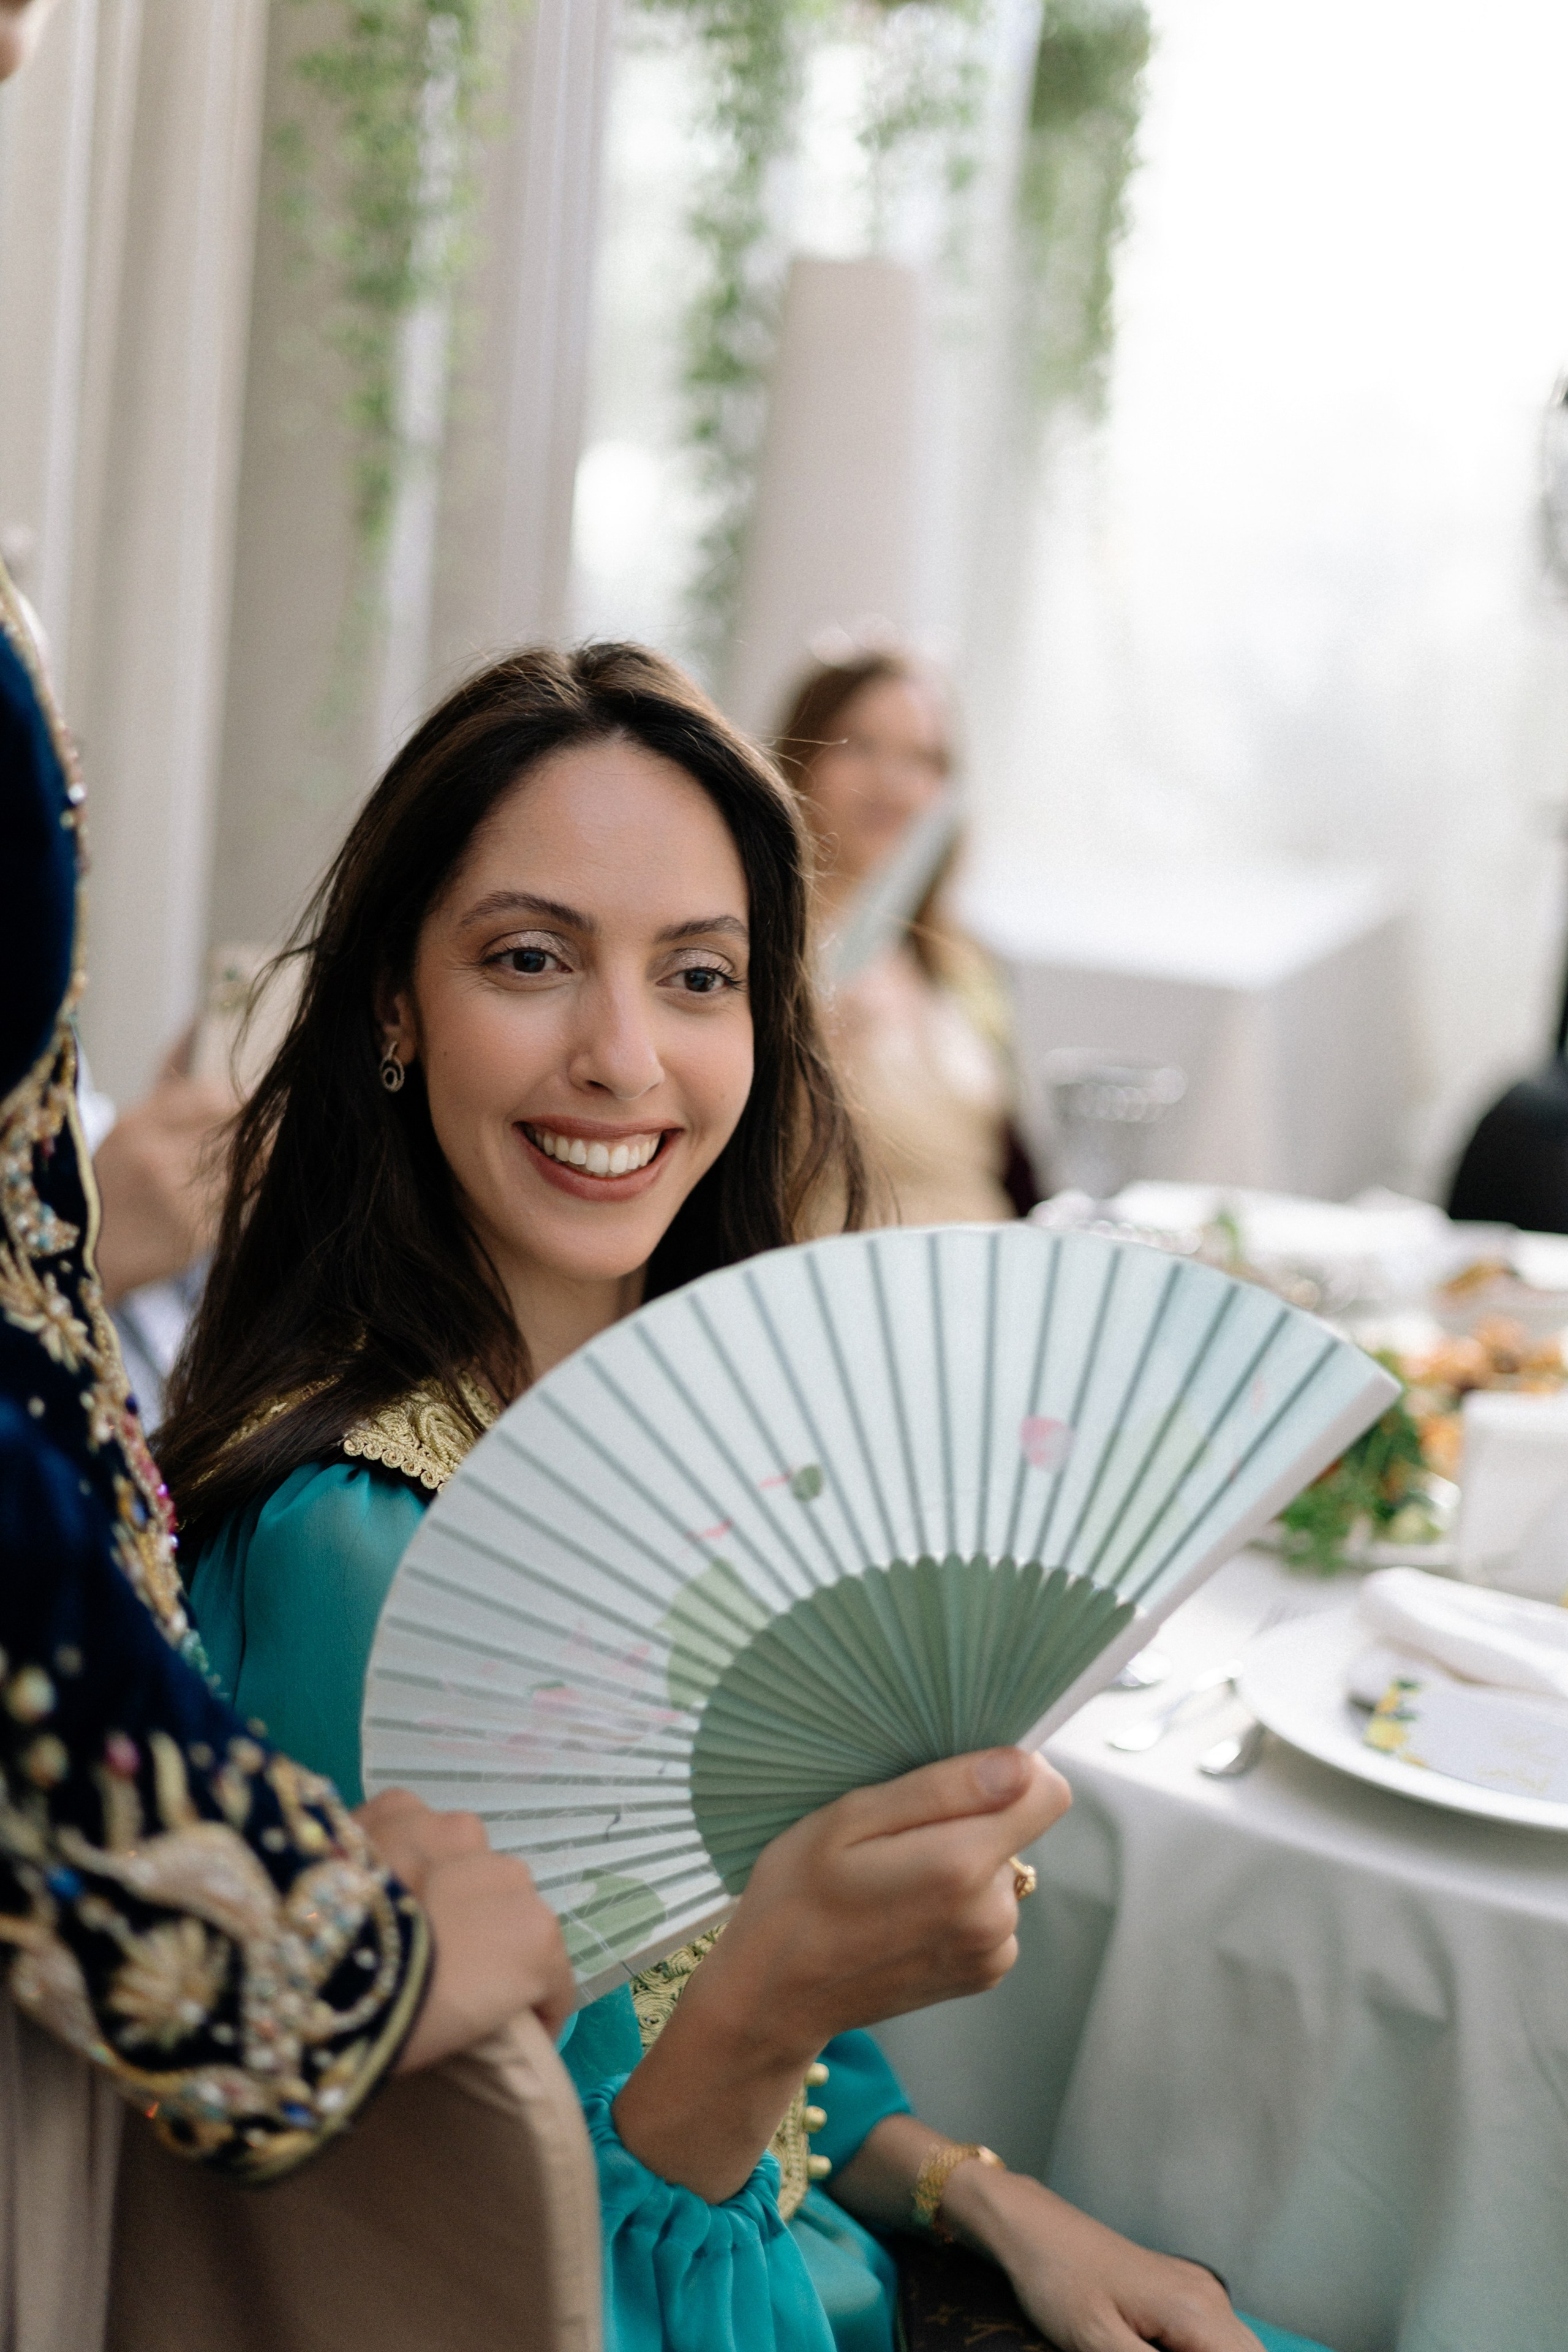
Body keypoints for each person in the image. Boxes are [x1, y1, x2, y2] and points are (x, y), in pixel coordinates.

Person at [159, 641, 1325, 2352]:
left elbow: (780, 2068)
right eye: (532, 958)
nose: (625, 1057)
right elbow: (451, 2276)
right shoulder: (365, 1546)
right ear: (396, 1006)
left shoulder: (715, 1461)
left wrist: (997, 2201)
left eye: (698, 976)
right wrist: (773, 2004)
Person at [775, 649, 1041, 1227]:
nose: (891, 784)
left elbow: (1014, 1168)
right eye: (861, 746)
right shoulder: (762, 948)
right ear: (801, 755)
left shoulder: (961, 960)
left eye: (921, 759)